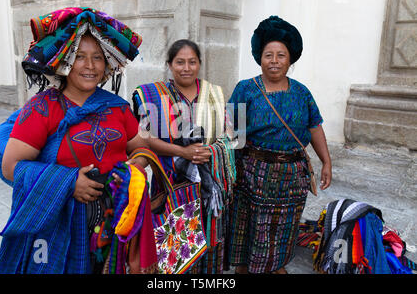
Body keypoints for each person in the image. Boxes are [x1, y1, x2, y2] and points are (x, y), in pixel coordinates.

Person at [0, 7, 157, 274]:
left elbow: (142, 147)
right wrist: (68, 182)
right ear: (64, 61)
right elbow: (11, 167)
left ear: (107, 63)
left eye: (98, 58)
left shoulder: (119, 107)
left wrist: (135, 167)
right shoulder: (41, 108)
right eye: (79, 57)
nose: (90, 66)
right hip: (61, 222)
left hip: (115, 222)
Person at [228, 15, 332, 274]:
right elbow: (231, 132)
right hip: (253, 174)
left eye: (281, 55)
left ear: (290, 59)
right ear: (260, 58)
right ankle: (245, 269)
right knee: (249, 228)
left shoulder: (302, 92)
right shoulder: (246, 89)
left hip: (292, 177)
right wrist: (230, 170)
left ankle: (276, 267)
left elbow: (314, 126)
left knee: (283, 231)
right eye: (268, 55)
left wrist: (327, 161)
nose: (274, 61)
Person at [132, 39, 236, 273]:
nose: (186, 68)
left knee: (208, 251)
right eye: (180, 62)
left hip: (209, 191)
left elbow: (230, 137)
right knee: (174, 253)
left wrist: (210, 151)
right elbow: (145, 138)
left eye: (192, 62)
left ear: (200, 64)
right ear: (170, 64)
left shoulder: (215, 95)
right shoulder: (154, 96)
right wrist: (183, 152)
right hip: (170, 186)